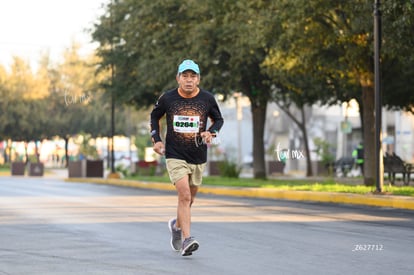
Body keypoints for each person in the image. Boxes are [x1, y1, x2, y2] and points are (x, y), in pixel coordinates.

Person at [150, 59, 224, 256]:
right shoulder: (168, 98)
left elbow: (218, 119)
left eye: (193, 76)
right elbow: (154, 117)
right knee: (184, 195)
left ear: (198, 79)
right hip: (174, 155)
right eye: (185, 76)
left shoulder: (207, 99)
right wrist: (156, 139)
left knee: (189, 200)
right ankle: (187, 240)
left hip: (198, 156)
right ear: (178, 78)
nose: (189, 80)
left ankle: (176, 225)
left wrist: (211, 132)